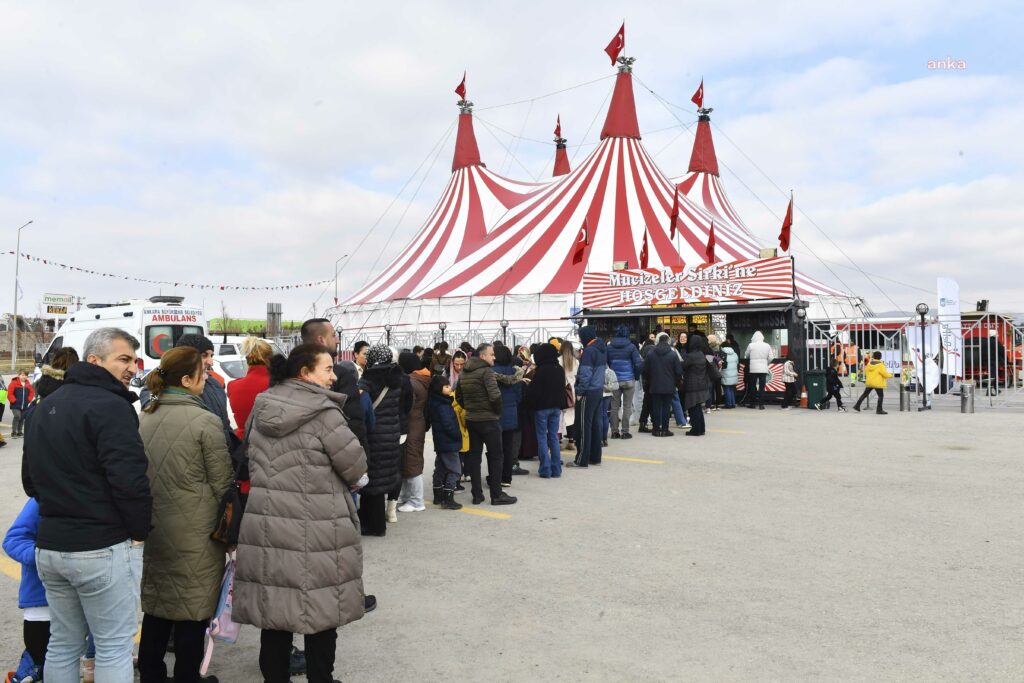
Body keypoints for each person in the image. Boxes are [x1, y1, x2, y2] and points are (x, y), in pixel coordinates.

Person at [23, 327, 151, 683]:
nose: (132, 367)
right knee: (112, 646)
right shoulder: (112, 406)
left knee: (63, 643)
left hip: (51, 546)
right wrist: (139, 533)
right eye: (123, 359)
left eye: (134, 360)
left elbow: (29, 481)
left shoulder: (44, 405)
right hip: (100, 546)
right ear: (94, 360)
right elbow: (130, 480)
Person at [234, 344, 368, 683]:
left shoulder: (263, 405)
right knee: (321, 613)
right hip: (319, 525)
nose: (333, 376)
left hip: (266, 523)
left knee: (274, 612)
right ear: (305, 373)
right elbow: (355, 467)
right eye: (327, 369)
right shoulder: (324, 413)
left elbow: (246, 458)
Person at [137, 346, 233, 683]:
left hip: (155, 527)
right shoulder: (205, 421)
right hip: (197, 530)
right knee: (193, 609)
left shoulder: (145, 415)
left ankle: (150, 672)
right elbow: (223, 484)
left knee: (157, 604)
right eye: (203, 374)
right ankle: (188, 676)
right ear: (188, 379)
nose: (206, 378)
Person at [455, 343, 517, 505]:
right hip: (489, 420)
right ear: (482, 356)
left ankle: (477, 494)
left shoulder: (464, 373)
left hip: (472, 420)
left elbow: (459, 397)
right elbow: (495, 397)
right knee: (496, 456)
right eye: (491, 354)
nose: (494, 357)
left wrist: (470, 409)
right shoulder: (487, 372)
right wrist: (496, 412)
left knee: (475, 457)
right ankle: (496, 494)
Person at [357, 345, 405, 535]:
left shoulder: (368, 381)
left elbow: (362, 409)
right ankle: (373, 521)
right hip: (391, 434)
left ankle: (375, 526)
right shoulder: (397, 379)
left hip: (374, 435)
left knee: (373, 481)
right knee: (381, 477)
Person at [523, 343, 567, 478]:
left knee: (542, 437)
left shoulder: (540, 371)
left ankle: (545, 469)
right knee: (553, 437)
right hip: (556, 408)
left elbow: (533, 392)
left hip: (541, 409)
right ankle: (556, 469)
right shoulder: (559, 369)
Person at [569, 326, 608, 468]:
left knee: (583, 426)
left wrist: (579, 391)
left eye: (580, 336)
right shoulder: (601, 348)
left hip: (588, 391)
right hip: (598, 390)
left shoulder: (589, 351)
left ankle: (581, 459)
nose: (580, 339)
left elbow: (585, 374)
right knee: (595, 425)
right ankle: (595, 456)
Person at [397, 351, 430, 513]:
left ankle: (417, 501)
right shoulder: (420, 378)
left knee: (412, 462)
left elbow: (407, 407)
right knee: (408, 461)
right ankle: (405, 496)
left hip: (411, 425)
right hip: (418, 424)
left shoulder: (411, 382)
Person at [426, 376, 463, 510]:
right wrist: (458, 435)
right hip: (449, 442)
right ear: (438, 389)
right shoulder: (443, 405)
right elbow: (449, 425)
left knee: (441, 467)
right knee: (455, 470)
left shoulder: (435, 402)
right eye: (446, 386)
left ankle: (438, 494)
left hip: (441, 442)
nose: (449, 388)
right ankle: (448, 497)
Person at [227, 337, 274, 439]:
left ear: (247, 359)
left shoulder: (233, 385)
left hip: (243, 442)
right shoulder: (278, 384)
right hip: (271, 442)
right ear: (270, 359)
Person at [493, 345, 526, 486]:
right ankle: (506, 478)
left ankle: (495, 477)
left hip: (494, 415)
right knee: (507, 447)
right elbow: (519, 396)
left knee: (495, 449)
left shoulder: (490, 372)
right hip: (511, 414)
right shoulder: (516, 373)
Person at [641, 333, 683, 437]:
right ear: (668, 341)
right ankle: (665, 429)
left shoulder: (651, 353)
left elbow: (645, 370)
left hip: (654, 385)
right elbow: (678, 371)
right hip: (669, 385)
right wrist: (676, 383)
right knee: (666, 407)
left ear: (658, 341)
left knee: (656, 407)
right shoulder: (673, 354)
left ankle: (656, 429)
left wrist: (649, 381)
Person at [606, 325, 642, 440]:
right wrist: (635, 377)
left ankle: (614, 431)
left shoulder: (609, 347)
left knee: (614, 407)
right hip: (628, 380)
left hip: (614, 381)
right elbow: (638, 364)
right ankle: (625, 432)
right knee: (627, 406)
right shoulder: (631, 347)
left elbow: (607, 364)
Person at [682, 333, 720, 436]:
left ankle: (695, 430)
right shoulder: (701, 354)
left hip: (692, 385)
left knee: (692, 407)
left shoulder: (690, 356)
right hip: (702, 384)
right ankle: (701, 428)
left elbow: (683, 366)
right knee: (698, 407)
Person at [745, 330, 772, 410]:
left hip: (753, 369)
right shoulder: (767, 345)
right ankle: (761, 405)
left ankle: (752, 404)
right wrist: (766, 363)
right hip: (763, 369)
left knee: (753, 387)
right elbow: (771, 357)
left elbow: (746, 355)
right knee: (762, 387)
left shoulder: (751, 345)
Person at [559, 341, 577, 451]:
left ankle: (559, 441)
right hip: (572, 392)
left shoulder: (558, 360)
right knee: (571, 417)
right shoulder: (576, 361)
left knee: (560, 417)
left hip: (561, 391)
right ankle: (571, 441)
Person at [9, 369, 34, 438]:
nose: (24, 376)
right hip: (15, 405)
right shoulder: (13, 383)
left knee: (22, 418)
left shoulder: (28, 384)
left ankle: (19, 432)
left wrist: (28, 400)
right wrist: (13, 400)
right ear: (19, 375)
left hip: (24, 405)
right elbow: (10, 393)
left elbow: (32, 393)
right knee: (17, 416)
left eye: (26, 375)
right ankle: (13, 432)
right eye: (22, 375)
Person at [720, 342, 739, 409]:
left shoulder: (722, 353)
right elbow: (737, 363)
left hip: (726, 373)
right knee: (731, 389)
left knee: (727, 389)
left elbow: (720, 364)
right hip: (733, 373)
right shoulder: (735, 354)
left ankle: (728, 404)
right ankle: (733, 403)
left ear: (722, 347)